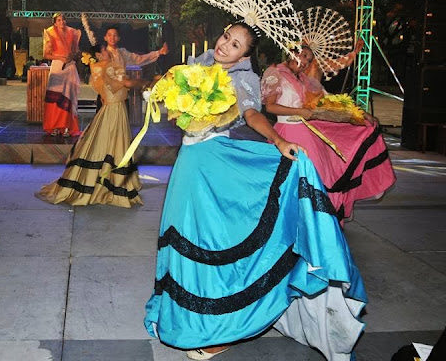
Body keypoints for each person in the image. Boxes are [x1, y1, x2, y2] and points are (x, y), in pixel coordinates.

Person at [144, 22, 367, 360]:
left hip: (217, 161)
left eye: (235, 45)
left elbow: (251, 114)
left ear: (245, 55)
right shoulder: (198, 63)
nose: (225, 45)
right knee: (181, 230)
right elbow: (176, 104)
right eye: (225, 37)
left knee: (213, 241)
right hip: (189, 161)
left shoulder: (245, 79)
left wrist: (278, 140)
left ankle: (224, 329)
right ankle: (183, 319)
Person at [261, 45, 396, 221]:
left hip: (307, 132)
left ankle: (319, 224)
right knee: (294, 181)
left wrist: (360, 113)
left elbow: (328, 100)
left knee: (322, 176)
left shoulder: (304, 79)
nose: (306, 62)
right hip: (286, 133)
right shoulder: (275, 72)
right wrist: (301, 112)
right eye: (304, 56)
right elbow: (270, 107)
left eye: (309, 60)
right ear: (292, 52)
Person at [36, 41, 151, 208]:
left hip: (108, 108)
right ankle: (113, 184)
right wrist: (146, 82)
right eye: (105, 51)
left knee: (103, 144)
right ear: (98, 55)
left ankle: (101, 179)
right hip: (115, 110)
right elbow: (127, 83)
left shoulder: (95, 68)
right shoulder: (110, 66)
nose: (109, 53)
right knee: (115, 145)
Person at [95, 25, 169, 112]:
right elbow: (99, 76)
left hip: (121, 93)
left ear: (118, 38)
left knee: (122, 121)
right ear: (105, 38)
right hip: (106, 94)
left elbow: (139, 59)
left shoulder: (122, 53)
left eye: (115, 35)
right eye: (109, 35)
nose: (112, 38)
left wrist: (159, 52)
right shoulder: (102, 54)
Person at [42, 13, 81, 137]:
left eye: (63, 19)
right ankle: (54, 126)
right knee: (55, 97)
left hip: (69, 67)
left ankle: (66, 127)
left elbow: (76, 52)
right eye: (59, 20)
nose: (62, 22)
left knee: (68, 96)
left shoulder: (72, 32)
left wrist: (72, 57)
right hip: (58, 66)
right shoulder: (50, 32)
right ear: (55, 22)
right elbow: (46, 54)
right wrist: (60, 57)